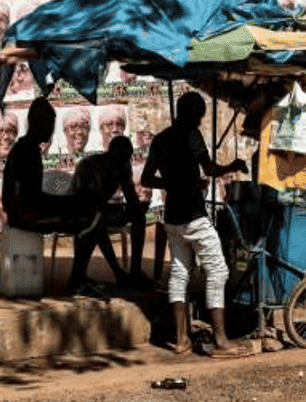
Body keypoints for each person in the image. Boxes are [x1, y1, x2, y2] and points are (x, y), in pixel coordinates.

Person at [140, 92, 251, 358]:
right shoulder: (191, 135)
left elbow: (146, 178)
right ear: (193, 115)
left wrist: (172, 184)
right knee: (218, 271)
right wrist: (232, 165)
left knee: (179, 274)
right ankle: (222, 341)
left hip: (173, 218)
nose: (201, 122)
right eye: (200, 117)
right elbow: (210, 169)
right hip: (193, 214)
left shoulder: (161, 139)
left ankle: (181, 340)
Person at [66, 136, 148, 295]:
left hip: (100, 209)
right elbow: (88, 200)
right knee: (96, 223)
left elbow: (130, 196)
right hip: (78, 210)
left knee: (139, 217)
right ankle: (116, 272)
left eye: (127, 158)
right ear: (111, 153)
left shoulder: (123, 166)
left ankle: (135, 271)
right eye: (122, 158)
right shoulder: (90, 165)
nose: (125, 161)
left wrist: (137, 207)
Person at [2, 97, 91, 232]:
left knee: (80, 209)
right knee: (84, 215)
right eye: (49, 124)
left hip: (23, 211)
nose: (51, 129)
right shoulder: (27, 152)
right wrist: (65, 203)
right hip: (23, 215)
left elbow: (32, 196)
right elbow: (30, 199)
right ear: (37, 123)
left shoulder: (26, 148)